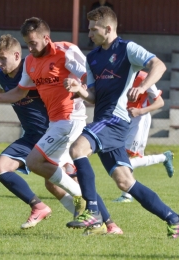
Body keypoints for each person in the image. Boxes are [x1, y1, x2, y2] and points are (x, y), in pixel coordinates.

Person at [0, 17, 123, 235]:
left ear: (46, 38)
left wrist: (79, 87)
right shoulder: (30, 63)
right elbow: (20, 91)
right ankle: (108, 225)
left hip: (70, 118)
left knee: (35, 162)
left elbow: (89, 76)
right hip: (56, 123)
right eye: (27, 44)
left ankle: (85, 203)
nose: (30, 48)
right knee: (53, 181)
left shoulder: (66, 51)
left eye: (33, 43)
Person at [64, 6, 179, 239]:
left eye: (94, 29)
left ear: (108, 28)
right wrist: (81, 91)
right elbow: (94, 97)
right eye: (88, 30)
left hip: (115, 120)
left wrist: (143, 87)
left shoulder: (127, 49)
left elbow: (159, 65)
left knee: (77, 149)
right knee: (125, 182)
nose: (90, 34)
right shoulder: (93, 58)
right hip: (103, 119)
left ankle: (93, 211)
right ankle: (174, 219)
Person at [0, 35, 52, 229]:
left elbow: (22, 92)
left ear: (17, 55)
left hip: (53, 134)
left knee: (57, 184)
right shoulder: (1, 75)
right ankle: (38, 207)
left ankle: (101, 220)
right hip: (31, 136)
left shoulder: (32, 67)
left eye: (3, 59)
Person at [113, 71, 175, 202]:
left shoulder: (144, 78)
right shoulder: (118, 74)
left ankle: (126, 195)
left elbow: (160, 102)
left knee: (126, 159)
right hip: (123, 119)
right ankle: (163, 157)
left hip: (139, 120)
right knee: (121, 157)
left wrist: (140, 111)